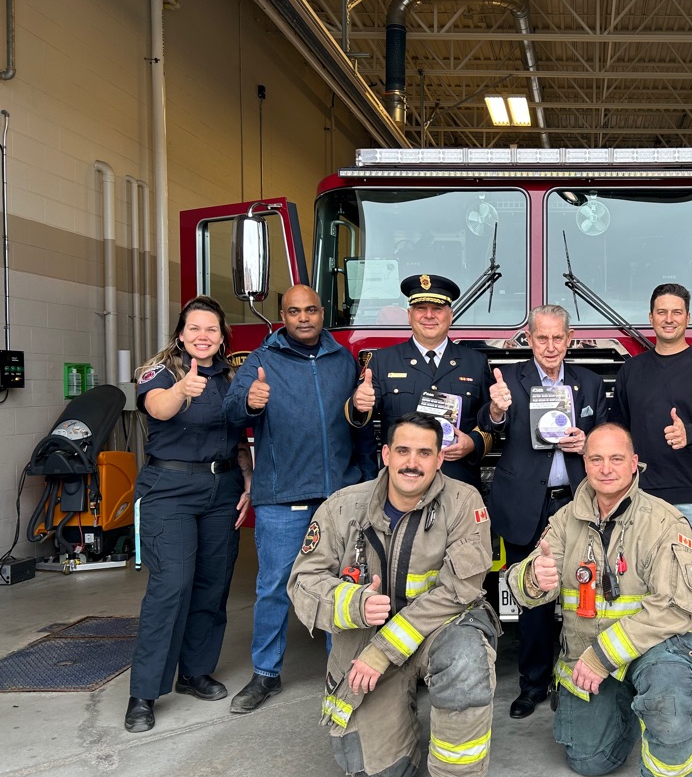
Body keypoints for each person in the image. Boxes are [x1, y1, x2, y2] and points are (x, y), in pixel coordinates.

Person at [287, 412, 498, 777]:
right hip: (366, 635)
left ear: (440, 459)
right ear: (385, 455)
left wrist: (382, 650)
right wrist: (354, 604)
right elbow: (303, 582)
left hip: (439, 628)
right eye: (402, 450)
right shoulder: (343, 506)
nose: (412, 462)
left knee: (465, 658)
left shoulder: (464, 502)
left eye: (424, 452)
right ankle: (404, 730)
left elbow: (459, 590)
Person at [506, 424, 692, 777]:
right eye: (596, 459)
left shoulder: (664, 521)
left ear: (634, 464)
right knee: (589, 761)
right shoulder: (565, 520)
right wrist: (534, 577)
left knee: (666, 685)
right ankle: (629, 711)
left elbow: (677, 607)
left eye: (616, 458)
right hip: (586, 654)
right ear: (584, 464)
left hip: (650, 652)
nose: (605, 468)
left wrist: (604, 656)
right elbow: (525, 585)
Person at [223, 285, 377, 714]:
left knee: (342, 587)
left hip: (340, 498)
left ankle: (339, 669)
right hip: (282, 497)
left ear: (322, 310)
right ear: (282, 316)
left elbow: (358, 428)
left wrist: (364, 482)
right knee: (274, 587)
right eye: (294, 311)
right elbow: (232, 412)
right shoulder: (261, 359)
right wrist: (250, 404)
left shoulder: (341, 360)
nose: (304, 318)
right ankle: (265, 675)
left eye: (311, 309)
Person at [611, 283, 692, 714]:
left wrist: (690, 435)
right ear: (651, 318)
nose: (668, 318)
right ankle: (649, 665)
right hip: (643, 498)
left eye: (677, 312)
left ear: (688, 317)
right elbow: (619, 431)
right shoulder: (632, 371)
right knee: (643, 586)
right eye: (661, 311)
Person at [124, 296, 252, 734]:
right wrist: (181, 390)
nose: (203, 336)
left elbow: (236, 439)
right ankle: (143, 693)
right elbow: (157, 407)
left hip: (222, 489)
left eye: (211, 330)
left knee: (213, 583)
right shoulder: (159, 371)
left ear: (222, 337)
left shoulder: (233, 376)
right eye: (194, 328)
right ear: (181, 333)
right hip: (170, 490)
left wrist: (248, 480)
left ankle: (194, 673)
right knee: (171, 586)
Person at [477, 304, 607, 719]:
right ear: (528, 339)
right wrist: (496, 409)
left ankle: (579, 678)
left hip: (577, 505)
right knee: (531, 598)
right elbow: (488, 426)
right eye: (541, 338)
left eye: (558, 338)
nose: (550, 347)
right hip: (524, 504)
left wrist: (586, 442)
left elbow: (606, 438)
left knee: (584, 593)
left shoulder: (588, 383)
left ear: (570, 339)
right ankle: (532, 684)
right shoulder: (508, 380)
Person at [348, 274, 494, 489]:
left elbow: (491, 422)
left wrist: (473, 443)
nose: (428, 315)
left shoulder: (476, 362)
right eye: (420, 308)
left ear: (450, 315)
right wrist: (358, 404)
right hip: (401, 486)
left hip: (458, 485)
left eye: (437, 309)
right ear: (409, 315)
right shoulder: (382, 361)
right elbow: (360, 424)